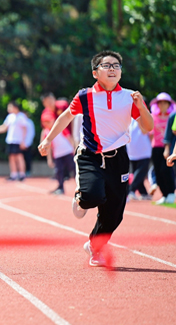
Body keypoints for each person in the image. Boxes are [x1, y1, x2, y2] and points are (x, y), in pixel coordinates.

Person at [39, 50, 153, 267]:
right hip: (90, 155)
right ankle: (81, 198)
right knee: (92, 196)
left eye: (116, 65)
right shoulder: (85, 96)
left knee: (115, 213)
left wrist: (141, 107)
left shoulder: (129, 97)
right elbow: (65, 117)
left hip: (118, 157)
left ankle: (95, 246)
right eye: (106, 65)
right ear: (95, 73)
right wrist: (48, 140)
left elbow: (148, 127)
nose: (112, 69)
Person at [0, 101, 28, 181]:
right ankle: (13, 174)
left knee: (19, 157)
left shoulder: (21, 116)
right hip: (10, 140)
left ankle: (22, 174)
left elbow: (25, 129)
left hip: (18, 140)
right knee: (11, 157)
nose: (8, 109)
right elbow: (4, 127)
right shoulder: (10, 117)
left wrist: (23, 141)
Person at [149, 93, 176, 204]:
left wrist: (168, 148)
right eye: (160, 103)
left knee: (166, 170)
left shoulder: (172, 116)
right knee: (158, 171)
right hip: (156, 147)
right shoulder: (153, 116)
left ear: (169, 104)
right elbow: (150, 132)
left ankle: (170, 193)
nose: (162, 105)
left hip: (168, 148)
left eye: (165, 103)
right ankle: (164, 194)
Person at [40, 111, 74, 195]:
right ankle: (60, 187)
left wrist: (74, 149)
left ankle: (82, 187)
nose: (47, 123)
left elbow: (69, 138)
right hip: (58, 154)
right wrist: (49, 159)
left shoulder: (60, 127)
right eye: (45, 122)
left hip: (67, 151)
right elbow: (49, 147)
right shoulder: (45, 132)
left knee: (74, 168)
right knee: (59, 171)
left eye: (49, 121)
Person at [126, 111, 152, 200]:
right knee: (136, 173)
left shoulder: (145, 118)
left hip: (144, 151)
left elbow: (145, 131)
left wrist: (139, 118)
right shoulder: (128, 118)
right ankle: (139, 191)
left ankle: (132, 190)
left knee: (140, 172)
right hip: (132, 151)